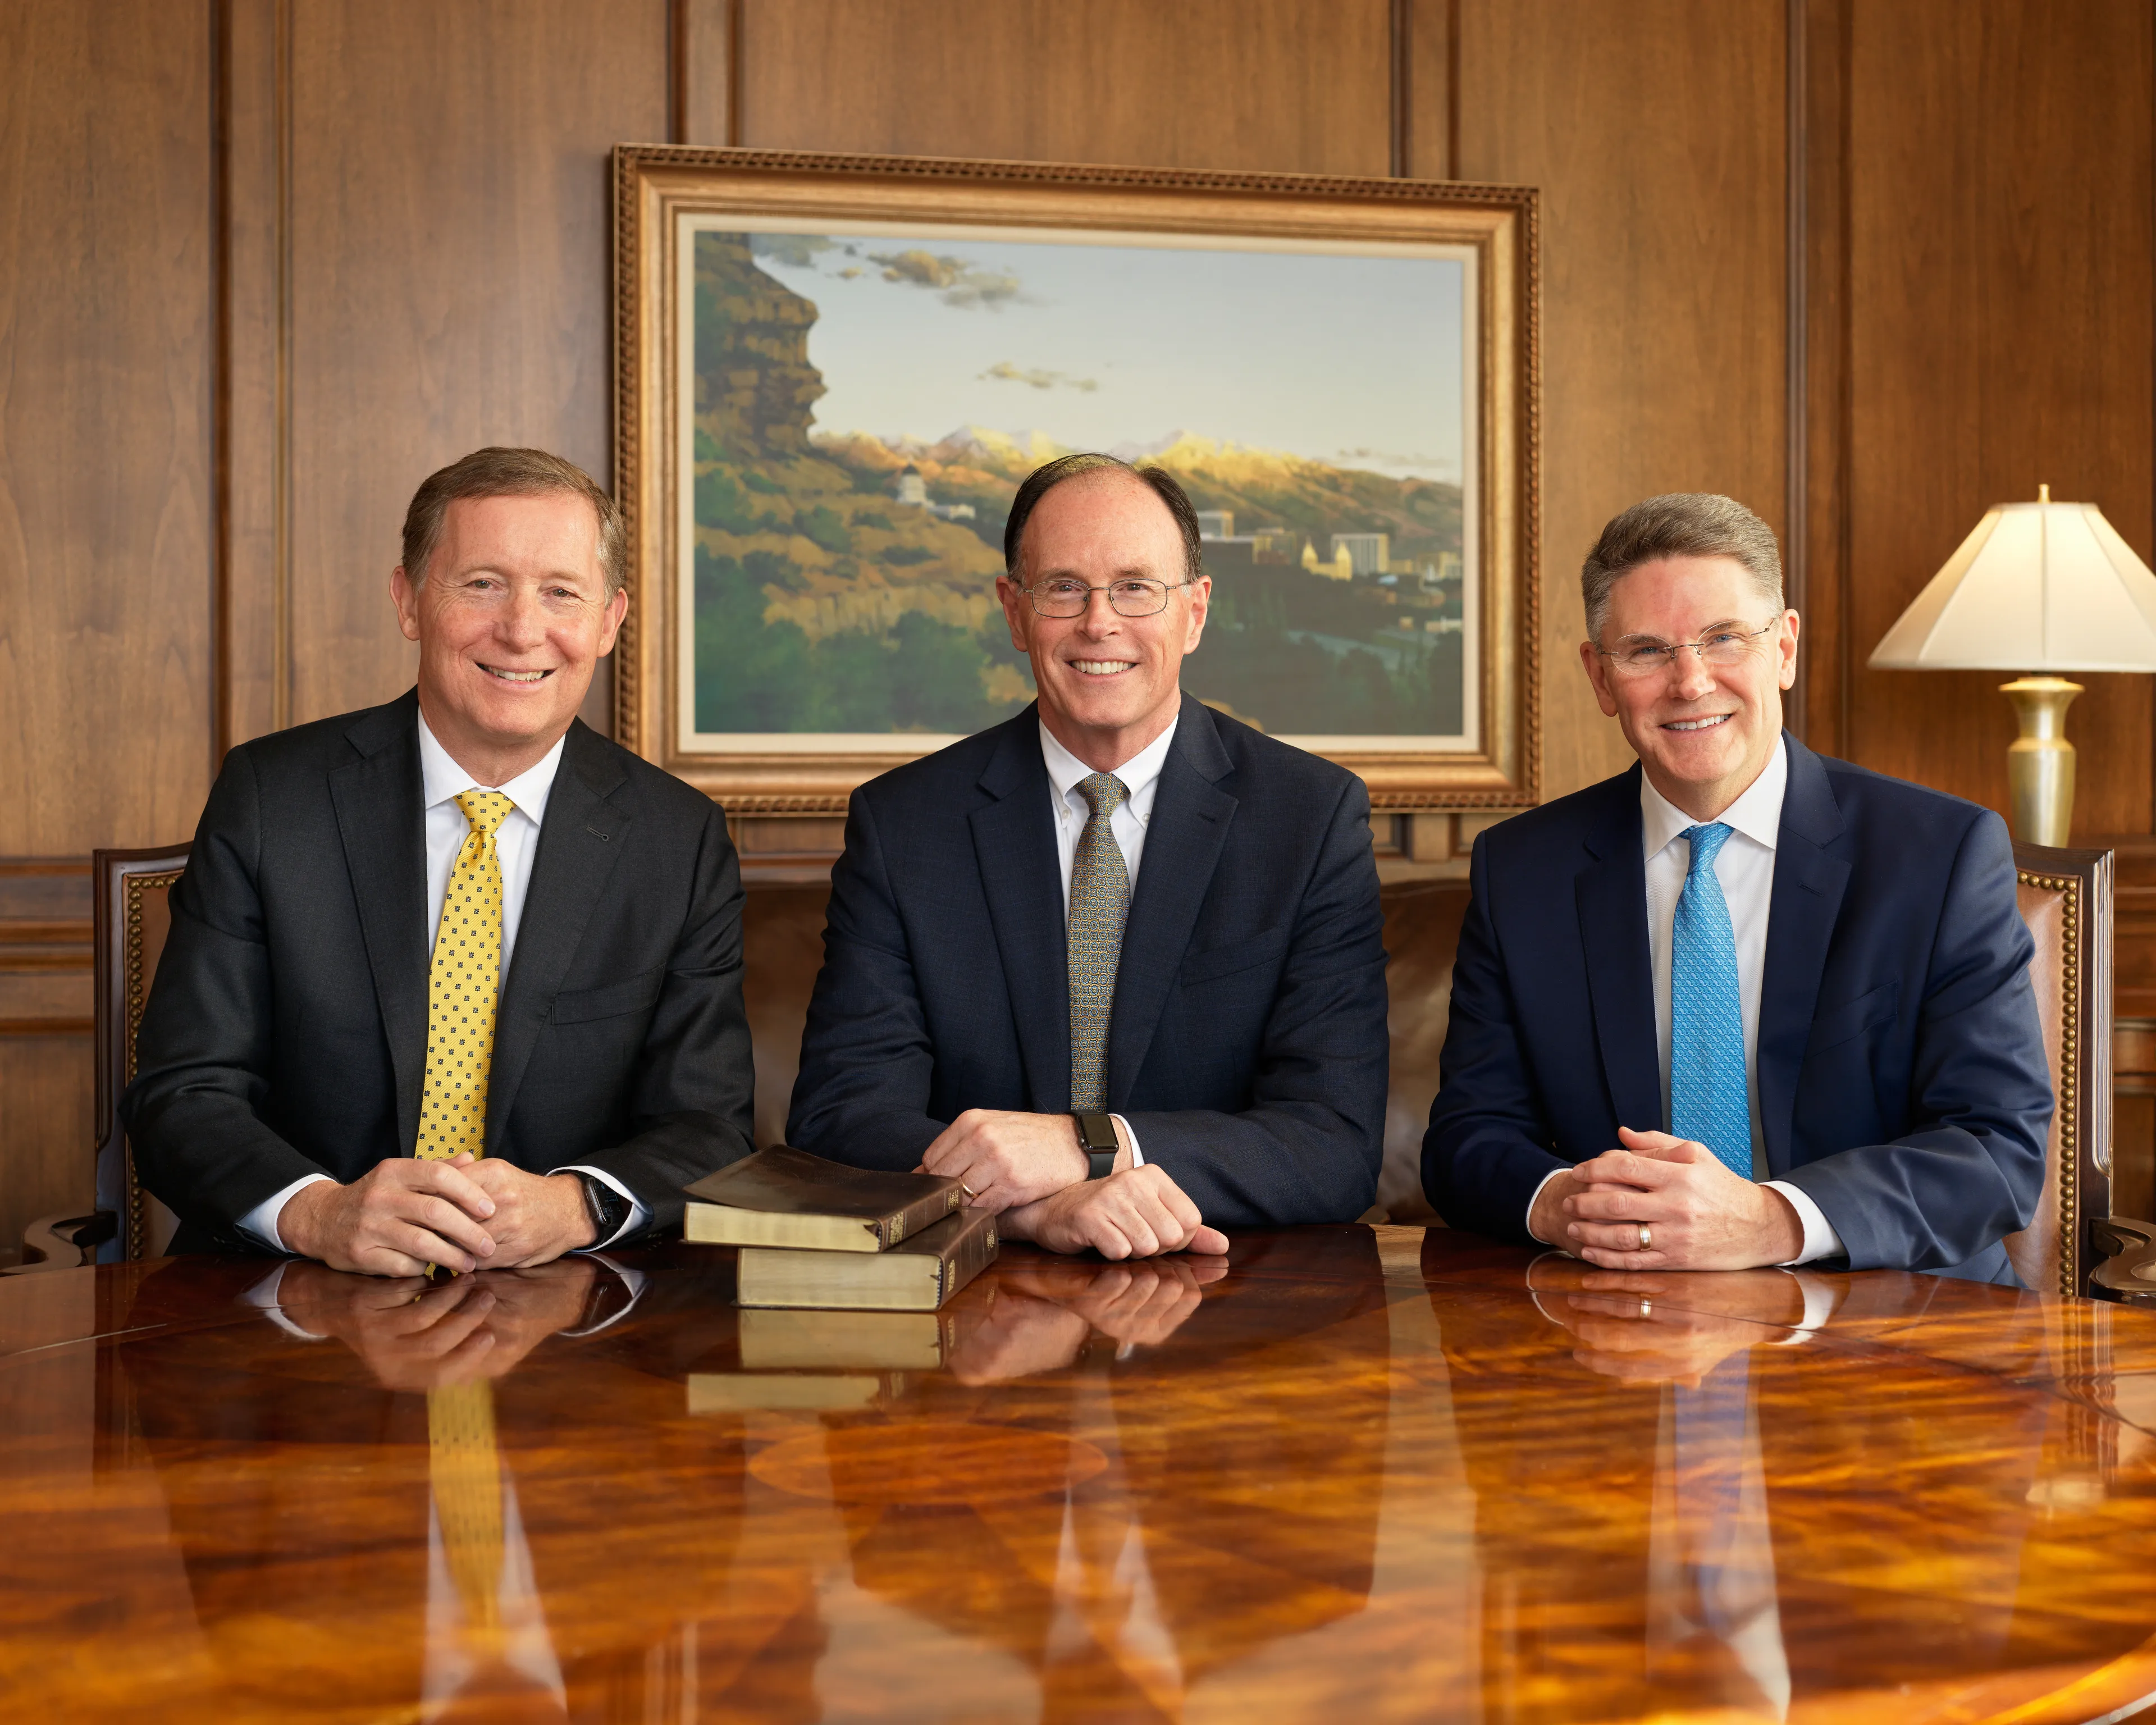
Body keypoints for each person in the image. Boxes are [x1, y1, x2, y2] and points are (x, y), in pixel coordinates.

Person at [125, 447, 755, 1274]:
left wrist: (573, 1206)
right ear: (409, 600)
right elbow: (183, 1095)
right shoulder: (273, 799)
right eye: (483, 584)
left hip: (563, 1308)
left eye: (561, 593)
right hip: (293, 1292)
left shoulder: (678, 839)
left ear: (608, 622)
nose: (521, 630)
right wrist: (319, 1214)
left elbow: (709, 1125)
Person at [1423, 492, 2051, 1282]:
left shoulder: (1939, 855)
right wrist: (1562, 1204)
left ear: (1784, 648)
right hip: (1622, 1313)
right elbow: (1467, 1136)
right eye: (1646, 651)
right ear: (1601, 677)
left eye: (1725, 638)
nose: (1691, 682)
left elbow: (1997, 1148)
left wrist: (1771, 1222)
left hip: (1896, 1317)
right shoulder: (1523, 869)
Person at [787, 453, 1389, 1258]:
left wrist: (1089, 1148)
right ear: (1014, 612)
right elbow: (841, 1116)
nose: (1099, 623)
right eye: (1064, 588)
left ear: (1195, 612)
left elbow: (1333, 1143)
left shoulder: (1310, 820)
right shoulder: (904, 825)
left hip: (1225, 1292)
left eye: (1136, 587)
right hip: (981, 1293)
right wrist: (1031, 1212)